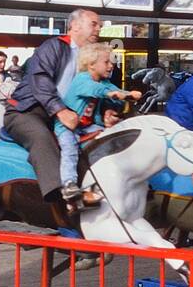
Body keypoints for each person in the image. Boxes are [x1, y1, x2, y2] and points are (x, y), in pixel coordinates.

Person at [4, 8, 103, 206]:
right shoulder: (53, 46)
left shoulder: (91, 58)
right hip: (27, 111)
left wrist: (105, 111)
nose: (99, 29)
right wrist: (60, 110)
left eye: (99, 25)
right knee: (41, 137)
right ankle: (63, 197)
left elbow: (95, 90)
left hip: (63, 116)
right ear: (75, 26)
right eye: (94, 24)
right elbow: (40, 78)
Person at [54, 42, 141, 205]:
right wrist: (116, 94)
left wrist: (121, 99)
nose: (111, 65)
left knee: (110, 138)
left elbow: (117, 96)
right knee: (69, 148)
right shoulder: (82, 79)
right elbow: (97, 90)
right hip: (68, 127)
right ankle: (69, 184)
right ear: (91, 65)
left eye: (111, 62)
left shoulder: (104, 82)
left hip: (88, 126)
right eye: (106, 62)